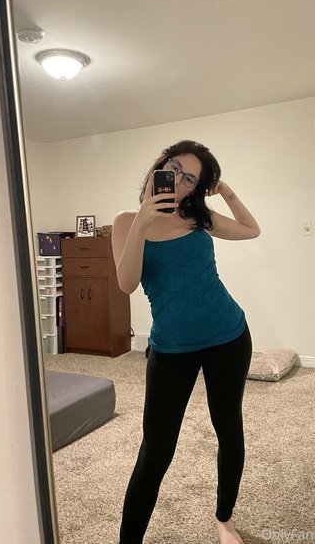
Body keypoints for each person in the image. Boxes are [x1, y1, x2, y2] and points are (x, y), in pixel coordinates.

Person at [112, 140, 260, 544]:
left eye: (190, 179)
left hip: (228, 336)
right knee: (156, 450)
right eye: (174, 167)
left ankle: (225, 519)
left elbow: (251, 230)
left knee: (227, 427)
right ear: (161, 164)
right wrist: (142, 222)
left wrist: (225, 191)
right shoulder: (126, 222)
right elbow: (126, 284)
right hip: (171, 348)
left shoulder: (198, 216)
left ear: (196, 188)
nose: (178, 179)